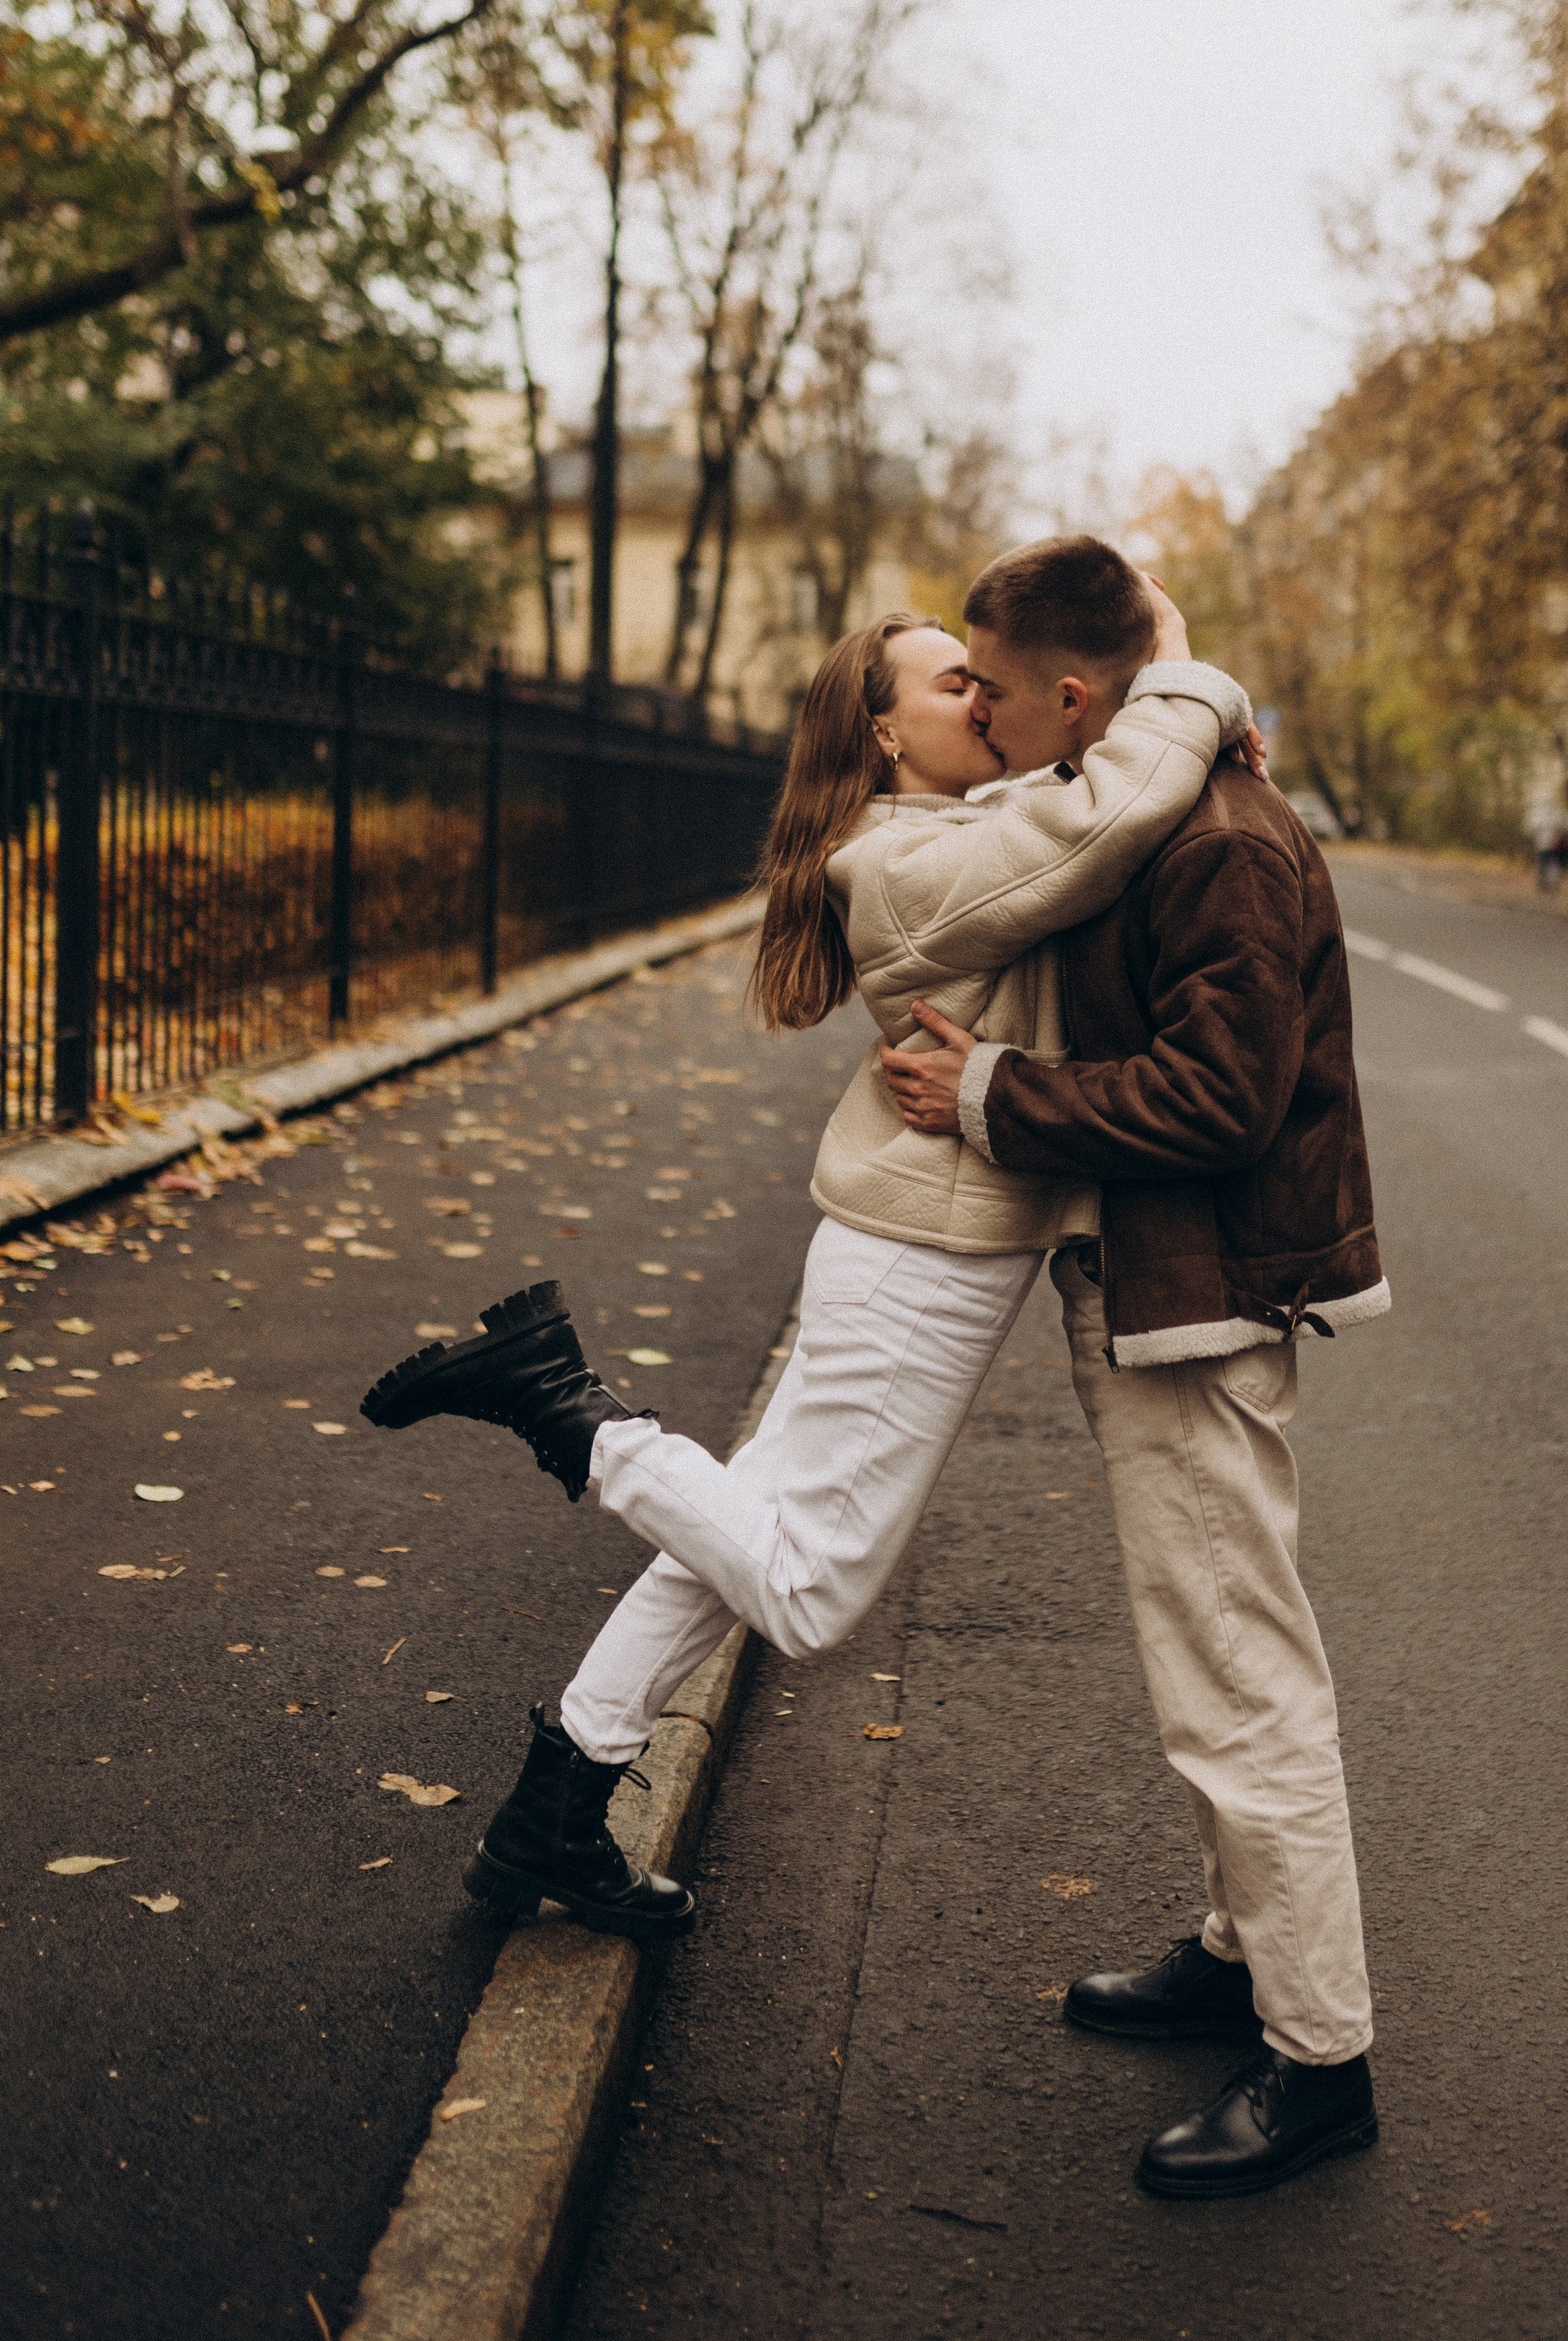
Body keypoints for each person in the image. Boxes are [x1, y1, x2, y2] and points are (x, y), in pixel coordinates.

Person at [360, 550, 1254, 1959]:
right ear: (883, 735)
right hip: (917, 1261)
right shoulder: (899, 866)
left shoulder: (978, 812)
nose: (983, 692)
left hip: (909, 1242)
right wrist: (1187, 673)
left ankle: (556, 1813)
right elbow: (1106, 825)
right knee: (810, 1589)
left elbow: (1083, 782)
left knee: (735, 1545)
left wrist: (1135, 661)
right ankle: (567, 1411)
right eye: (951, 681)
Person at [879, 534, 1389, 2201]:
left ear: (1077, 695)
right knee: (1212, 1663)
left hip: (1203, 1301)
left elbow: (1218, 1100)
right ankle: (1241, 1954)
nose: (981, 710)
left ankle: (1317, 2060)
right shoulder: (1151, 807)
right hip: (1158, 1283)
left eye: (999, 687)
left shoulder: (1220, 845)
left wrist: (988, 1093)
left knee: (1239, 1680)